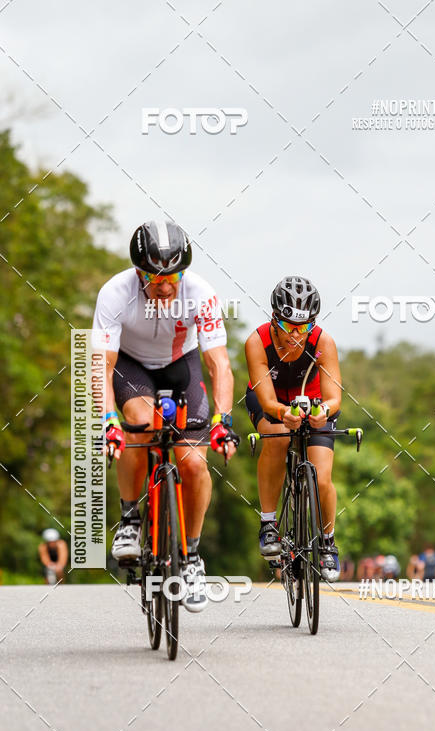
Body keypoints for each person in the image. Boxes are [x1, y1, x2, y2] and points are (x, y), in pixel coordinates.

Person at [92, 220, 239, 611]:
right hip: (131, 367)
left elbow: (219, 366)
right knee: (138, 424)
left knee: (193, 464)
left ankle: (190, 557)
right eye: (155, 277)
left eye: (173, 275)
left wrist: (223, 421)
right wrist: (108, 421)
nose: (165, 285)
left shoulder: (201, 293)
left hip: (180, 363)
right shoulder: (114, 293)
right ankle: (129, 518)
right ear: (139, 272)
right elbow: (101, 368)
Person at [245, 276, 342, 581]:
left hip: (312, 401)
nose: (296, 335)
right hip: (271, 401)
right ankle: (269, 524)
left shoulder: (323, 341)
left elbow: (334, 397)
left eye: (305, 327)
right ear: (275, 318)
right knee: (276, 439)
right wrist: (283, 413)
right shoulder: (256, 341)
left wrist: (322, 411)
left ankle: (328, 542)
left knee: (322, 478)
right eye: (289, 326)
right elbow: (266, 399)